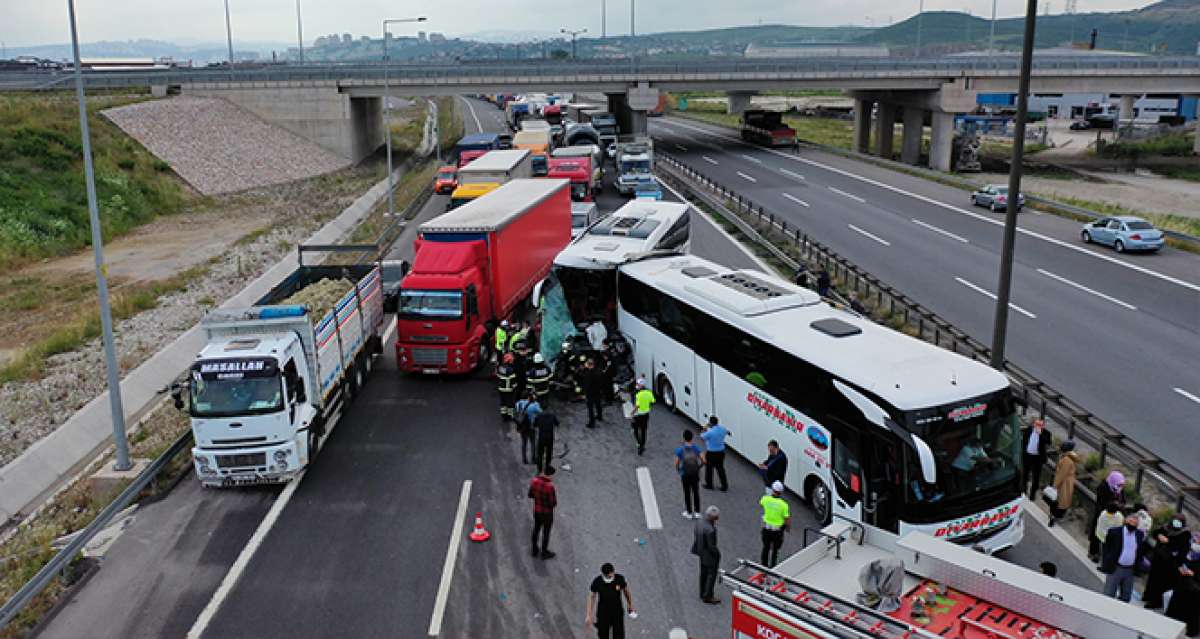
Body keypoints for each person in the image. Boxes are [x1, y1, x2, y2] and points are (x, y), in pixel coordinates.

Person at [1143, 513, 1191, 609]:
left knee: (1161, 582)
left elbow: (1179, 547)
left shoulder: (1185, 533)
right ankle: (1147, 596)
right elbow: (1155, 532)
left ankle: (1155, 602)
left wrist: (1168, 541)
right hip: (1158, 558)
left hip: (1169, 562)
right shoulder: (1166, 527)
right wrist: (1159, 536)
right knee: (1153, 578)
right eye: (1175, 521)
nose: (1176, 523)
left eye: (1179, 522)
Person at [1100, 513, 1146, 602]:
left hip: (1130, 570)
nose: (1132, 524)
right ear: (1126, 521)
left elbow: (1140, 551)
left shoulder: (1139, 535)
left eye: (1135, 523)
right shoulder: (1114, 532)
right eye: (1131, 521)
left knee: (1126, 597)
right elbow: (1107, 548)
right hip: (1116, 568)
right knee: (1109, 594)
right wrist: (1106, 563)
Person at [586, 563, 635, 639]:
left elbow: (626, 592)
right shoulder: (597, 581)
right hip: (603, 612)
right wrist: (589, 614)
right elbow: (591, 597)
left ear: (613, 572)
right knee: (603, 634)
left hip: (617, 611)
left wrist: (630, 605)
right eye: (607, 576)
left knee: (619, 634)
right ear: (603, 574)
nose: (610, 577)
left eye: (611, 575)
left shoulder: (619, 579)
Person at [1165, 535, 1200, 637]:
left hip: (1194, 591)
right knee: (1174, 609)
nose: (1196, 544)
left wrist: (1193, 574)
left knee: (1191, 613)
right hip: (1181, 586)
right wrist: (1179, 569)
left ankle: (1189, 632)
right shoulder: (1188, 553)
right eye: (1196, 542)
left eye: (1199, 543)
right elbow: (1178, 562)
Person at [1089, 470, 1127, 560]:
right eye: (1119, 485)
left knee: (1109, 535)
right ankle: (1093, 552)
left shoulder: (1118, 488)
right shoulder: (1103, 488)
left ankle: (1105, 554)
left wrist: (1120, 505)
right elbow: (1101, 502)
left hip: (1114, 516)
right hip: (1102, 514)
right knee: (1097, 533)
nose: (1120, 487)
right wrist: (1113, 505)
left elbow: (1123, 500)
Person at [691, 505, 721, 604]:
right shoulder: (710, 530)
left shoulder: (699, 522)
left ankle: (702, 591)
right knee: (711, 575)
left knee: (703, 572)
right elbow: (711, 546)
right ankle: (708, 596)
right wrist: (717, 554)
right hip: (709, 555)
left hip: (701, 551)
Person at [528, 466, 557, 559]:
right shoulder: (550, 487)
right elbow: (553, 503)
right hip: (547, 514)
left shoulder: (535, 481)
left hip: (537, 510)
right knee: (546, 532)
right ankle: (544, 552)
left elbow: (530, 494)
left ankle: (534, 549)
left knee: (536, 529)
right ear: (550, 475)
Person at [760, 481, 790, 568]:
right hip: (777, 531)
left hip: (766, 528)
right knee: (775, 550)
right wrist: (788, 528)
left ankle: (764, 565)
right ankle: (773, 566)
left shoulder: (765, 499)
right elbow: (787, 519)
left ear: (772, 490)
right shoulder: (784, 505)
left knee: (766, 547)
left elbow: (761, 503)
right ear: (781, 492)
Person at [1048, 440, 1078, 527]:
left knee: (1058, 501)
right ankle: (1056, 516)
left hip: (1064, 484)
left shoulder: (1066, 460)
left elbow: (1062, 474)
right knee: (1062, 501)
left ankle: (1054, 517)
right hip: (1067, 482)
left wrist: (1055, 485)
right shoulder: (1069, 457)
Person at [675, 430, 704, 519]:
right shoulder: (696, 448)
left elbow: (677, 462)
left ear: (684, 438)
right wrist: (699, 466)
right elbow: (704, 460)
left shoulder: (680, 449)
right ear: (692, 438)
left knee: (687, 492)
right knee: (696, 491)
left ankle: (689, 512)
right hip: (695, 472)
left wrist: (679, 470)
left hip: (685, 473)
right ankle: (697, 512)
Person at [1021, 419, 1051, 498]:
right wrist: (1023, 451)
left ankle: (1032, 495)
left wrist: (1040, 434)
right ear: (1034, 424)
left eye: (1040, 425)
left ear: (1043, 426)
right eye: (1037, 424)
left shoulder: (1046, 433)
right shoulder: (1029, 430)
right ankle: (1024, 491)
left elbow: (1048, 442)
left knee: (1036, 477)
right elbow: (1024, 441)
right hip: (1028, 456)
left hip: (1037, 458)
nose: (1038, 426)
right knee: (1025, 474)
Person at [700, 416, 731, 492]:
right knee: (720, 469)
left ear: (711, 423)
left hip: (711, 453)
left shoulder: (710, 432)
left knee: (709, 469)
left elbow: (702, 436)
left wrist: (704, 428)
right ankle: (724, 486)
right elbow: (728, 432)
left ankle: (709, 485)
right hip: (721, 452)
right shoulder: (722, 429)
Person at [514, 391, 542, 465]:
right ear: (528, 397)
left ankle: (524, 459)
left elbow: (517, 413)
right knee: (533, 442)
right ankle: (533, 459)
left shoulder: (518, 404)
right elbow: (540, 412)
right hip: (531, 426)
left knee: (524, 442)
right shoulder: (534, 405)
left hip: (522, 426)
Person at [631, 379, 655, 456]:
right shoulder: (649, 393)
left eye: (638, 384)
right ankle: (643, 444)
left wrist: (632, 412)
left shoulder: (639, 395)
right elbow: (653, 401)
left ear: (641, 386)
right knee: (644, 430)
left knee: (635, 429)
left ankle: (639, 444)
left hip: (638, 415)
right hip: (646, 414)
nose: (637, 385)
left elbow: (637, 406)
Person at [581, 357, 606, 428]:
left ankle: (592, 423)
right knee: (598, 405)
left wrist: (584, 393)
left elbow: (587, 385)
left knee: (590, 408)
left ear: (589, 365)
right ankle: (599, 416)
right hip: (598, 391)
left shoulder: (589, 374)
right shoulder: (598, 371)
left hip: (590, 393)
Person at [533, 409, 559, 474]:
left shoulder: (538, 416)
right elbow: (557, 423)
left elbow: (534, 425)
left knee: (540, 454)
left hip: (541, 438)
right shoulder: (552, 415)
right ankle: (547, 467)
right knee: (549, 453)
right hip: (550, 438)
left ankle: (539, 469)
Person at [496, 353, 518, 421]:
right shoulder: (511, 369)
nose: (512, 361)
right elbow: (513, 381)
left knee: (503, 402)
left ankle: (503, 415)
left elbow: (498, 376)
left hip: (501, 388)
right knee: (510, 403)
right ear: (508, 360)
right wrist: (515, 387)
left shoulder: (500, 367)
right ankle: (510, 416)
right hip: (508, 389)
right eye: (511, 360)